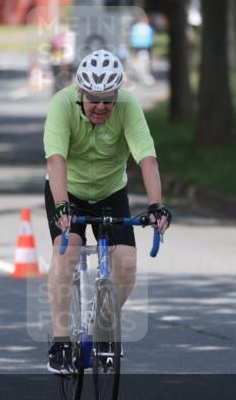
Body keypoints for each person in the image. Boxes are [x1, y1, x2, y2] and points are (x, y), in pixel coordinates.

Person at [43, 49, 172, 374]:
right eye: (94, 99)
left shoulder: (128, 106)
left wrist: (156, 206)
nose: (101, 107)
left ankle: (103, 325)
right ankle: (61, 341)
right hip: (67, 190)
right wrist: (61, 206)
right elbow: (56, 159)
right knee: (69, 250)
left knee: (126, 263)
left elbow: (147, 158)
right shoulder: (61, 105)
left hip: (110, 190)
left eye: (108, 100)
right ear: (80, 93)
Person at [129, 18, 155, 85]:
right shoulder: (148, 27)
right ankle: (146, 76)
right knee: (146, 63)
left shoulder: (135, 27)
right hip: (146, 47)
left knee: (137, 62)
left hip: (137, 47)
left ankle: (141, 76)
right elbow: (151, 36)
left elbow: (132, 37)